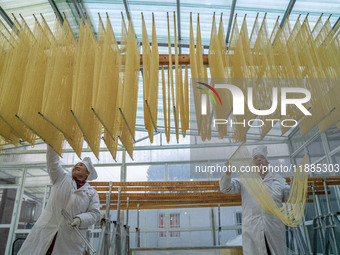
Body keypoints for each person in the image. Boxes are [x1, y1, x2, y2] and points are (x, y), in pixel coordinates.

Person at [18, 145, 101, 255]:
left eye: (81, 165)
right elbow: (53, 162)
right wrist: (53, 142)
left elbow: (95, 214)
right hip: (47, 229)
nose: (77, 166)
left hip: (69, 239)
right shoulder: (61, 178)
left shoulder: (92, 193)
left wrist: (80, 219)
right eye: (76, 165)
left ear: (87, 173)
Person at [220, 145, 290, 255]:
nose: (258, 160)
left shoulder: (278, 179)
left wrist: (296, 189)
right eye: (255, 158)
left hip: (273, 226)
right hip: (253, 228)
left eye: (261, 157)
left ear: (267, 163)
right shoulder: (245, 179)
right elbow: (225, 188)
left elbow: (289, 196)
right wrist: (228, 172)